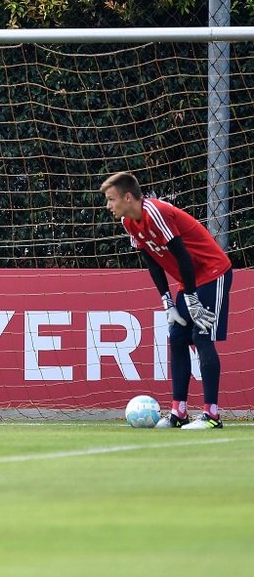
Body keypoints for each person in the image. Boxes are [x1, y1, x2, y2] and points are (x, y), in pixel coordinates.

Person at [101, 172, 232, 429]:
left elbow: (181, 255)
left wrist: (191, 298)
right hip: (190, 279)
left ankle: (212, 415)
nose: (109, 206)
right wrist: (167, 302)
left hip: (212, 271)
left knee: (202, 335)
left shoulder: (155, 212)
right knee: (178, 337)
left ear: (128, 197)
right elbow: (152, 260)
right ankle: (178, 412)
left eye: (111, 199)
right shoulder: (129, 222)